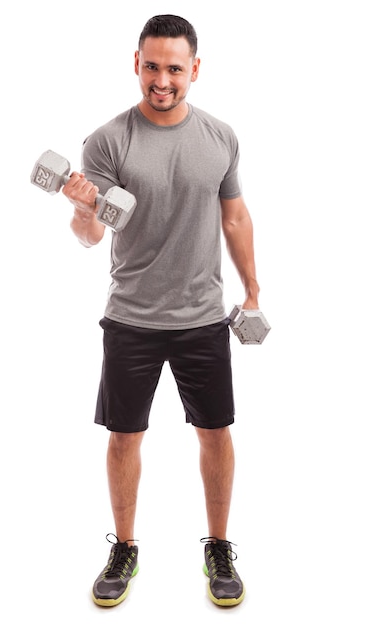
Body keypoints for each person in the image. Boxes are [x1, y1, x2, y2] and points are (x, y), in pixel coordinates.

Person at [62, 14, 260, 608]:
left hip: (203, 317)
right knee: (124, 437)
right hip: (131, 319)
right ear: (136, 64)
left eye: (175, 68)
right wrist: (80, 207)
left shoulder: (221, 137)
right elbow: (91, 234)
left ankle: (219, 546)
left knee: (215, 433)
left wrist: (253, 292)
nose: (163, 80)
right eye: (152, 66)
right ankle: (124, 548)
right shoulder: (106, 141)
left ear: (194, 69)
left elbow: (235, 217)